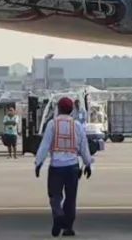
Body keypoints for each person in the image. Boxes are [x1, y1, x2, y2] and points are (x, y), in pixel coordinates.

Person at [35, 96, 94, 237]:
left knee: (54, 195)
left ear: (58, 108)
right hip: (73, 166)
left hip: (56, 166)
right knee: (71, 198)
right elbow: (84, 147)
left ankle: (58, 215)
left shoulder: (52, 124)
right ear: (72, 110)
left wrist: (38, 163)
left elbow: (44, 146)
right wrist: (88, 164)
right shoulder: (77, 125)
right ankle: (68, 227)